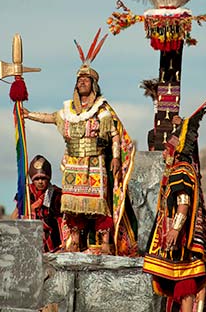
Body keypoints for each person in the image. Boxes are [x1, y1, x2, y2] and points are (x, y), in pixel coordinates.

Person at [24, 30, 137, 256]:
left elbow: (115, 134)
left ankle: (105, 243)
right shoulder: (68, 111)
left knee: (98, 204)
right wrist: (28, 115)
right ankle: (74, 241)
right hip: (73, 162)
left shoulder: (102, 110)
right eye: (79, 80)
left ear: (93, 85)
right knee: (73, 205)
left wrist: (115, 157)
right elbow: (50, 117)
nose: (81, 83)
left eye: (86, 80)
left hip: (95, 162)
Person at [143, 103, 206, 312]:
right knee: (182, 287)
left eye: (168, 149)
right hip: (182, 238)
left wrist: (175, 228)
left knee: (185, 287)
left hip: (181, 240)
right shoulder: (185, 169)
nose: (165, 153)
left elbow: (183, 203)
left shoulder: (180, 171)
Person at [11, 155, 63, 252]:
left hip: (54, 243)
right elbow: (15, 216)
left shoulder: (56, 194)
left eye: (43, 178)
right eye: (37, 179)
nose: (40, 182)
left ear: (49, 178)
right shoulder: (26, 192)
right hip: (29, 239)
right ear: (32, 179)